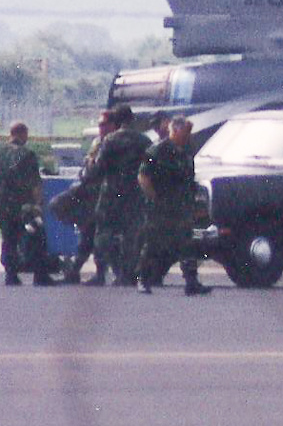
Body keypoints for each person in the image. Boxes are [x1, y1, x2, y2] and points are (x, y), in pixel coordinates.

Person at [136, 116, 210, 296]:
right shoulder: (158, 151)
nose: (188, 136)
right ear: (175, 130)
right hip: (160, 208)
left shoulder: (186, 152)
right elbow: (143, 177)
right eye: (185, 132)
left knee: (187, 244)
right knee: (153, 244)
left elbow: (189, 180)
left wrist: (194, 205)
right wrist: (154, 197)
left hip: (181, 207)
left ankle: (191, 282)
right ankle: (143, 280)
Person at [86, 104, 150, 286]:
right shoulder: (144, 141)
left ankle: (100, 273)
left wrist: (90, 165)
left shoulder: (110, 140)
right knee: (131, 234)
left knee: (103, 232)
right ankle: (127, 274)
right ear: (132, 119)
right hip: (134, 194)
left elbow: (98, 168)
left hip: (111, 193)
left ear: (117, 120)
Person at [62, 110, 113, 284]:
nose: (101, 128)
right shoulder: (97, 142)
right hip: (91, 196)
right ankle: (75, 270)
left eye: (104, 124)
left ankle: (101, 273)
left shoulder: (113, 143)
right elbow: (89, 165)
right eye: (99, 124)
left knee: (100, 236)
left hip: (107, 196)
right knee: (88, 234)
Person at [0, 122, 50, 286]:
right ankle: (40, 275)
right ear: (22, 134)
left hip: (4, 204)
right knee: (37, 235)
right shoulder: (27, 154)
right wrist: (38, 204)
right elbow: (35, 182)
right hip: (24, 205)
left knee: (9, 239)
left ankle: (11, 274)